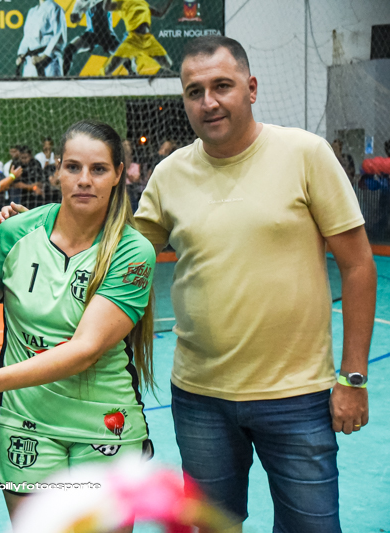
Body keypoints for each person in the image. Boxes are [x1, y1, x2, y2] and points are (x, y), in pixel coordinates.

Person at [133, 36, 375, 532]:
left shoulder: (305, 154)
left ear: (252, 88)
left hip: (298, 397)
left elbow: (358, 265)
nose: (209, 102)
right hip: (199, 398)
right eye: (195, 91)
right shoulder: (169, 174)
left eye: (222, 86)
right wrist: (33, 228)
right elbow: (122, 258)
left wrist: (353, 378)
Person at [0, 120, 156, 527]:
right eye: (73, 167)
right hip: (25, 424)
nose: (84, 180)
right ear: (57, 169)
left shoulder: (132, 251)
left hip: (106, 424)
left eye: (98, 169)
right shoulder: (14, 234)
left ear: (117, 175)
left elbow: (85, 350)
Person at [103, 0, 175, 76]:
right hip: (132, 40)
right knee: (108, 69)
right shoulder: (121, 3)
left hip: (148, 40)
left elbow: (160, 14)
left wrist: (170, 2)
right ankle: (132, 64)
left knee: (168, 64)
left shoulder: (143, 3)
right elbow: (106, 7)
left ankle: (136, 62)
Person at [63, 0, 121, 75]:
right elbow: (74, 16)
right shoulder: (83, 1)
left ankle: (132, 73)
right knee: (68, 50)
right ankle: (64, 76)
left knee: (124, 54)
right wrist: (75, 16)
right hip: (91, 34)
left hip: (107, 35)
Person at [16, 0, 68, 78]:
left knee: (51, 85)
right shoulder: (32, 11)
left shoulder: (55, 8)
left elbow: (59, 35)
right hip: (31, 61)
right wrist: (21, 54)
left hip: (49, 61)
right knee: (28, 86)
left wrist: (44, 57)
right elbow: (27, 36)